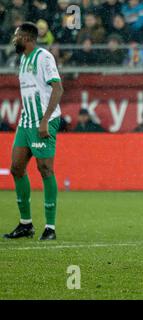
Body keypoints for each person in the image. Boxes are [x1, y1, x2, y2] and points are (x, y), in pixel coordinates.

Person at [4, 22, 64, 241]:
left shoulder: (44, 57)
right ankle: (25, 224)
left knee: (45, 169)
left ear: (27, 38)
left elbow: (58, 88)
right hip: (26, 120)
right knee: (17, 168)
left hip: (43, 120)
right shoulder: (23, 59)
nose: (14, 39)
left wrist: (45, 120)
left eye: (17, 35)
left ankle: (50, 227)